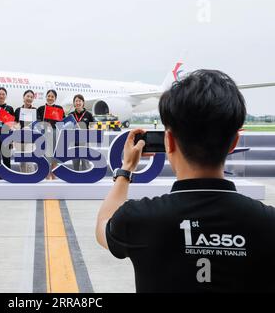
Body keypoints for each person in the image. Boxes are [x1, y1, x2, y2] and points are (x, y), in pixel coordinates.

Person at [96, 70, 275, 292]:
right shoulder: (268, 223)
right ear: (233, 143)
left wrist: (126, 170)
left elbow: (103, 225)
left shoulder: (139, 217)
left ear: (169, 142)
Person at [36, 90, 65, 180]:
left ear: (55, 98)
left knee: (54, 157)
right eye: (48, 96)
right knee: (46, 156)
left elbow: (63, 121)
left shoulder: (59, 108)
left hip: (56, 134)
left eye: (52, 96)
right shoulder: (41, 109)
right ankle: (47, 176)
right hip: (44, 134)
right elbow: (37, 122)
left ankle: (54, 176)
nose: (50, 98)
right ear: (46, 97)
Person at [68, 94, 95, 171]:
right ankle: (75, 179)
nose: (78, 103)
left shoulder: (89, 115)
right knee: (75, 164)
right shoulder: (71, 115)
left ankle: (86, 178)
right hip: (74, 142)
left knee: (85, 163)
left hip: (85, 142)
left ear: (83, 103)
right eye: (76, 101)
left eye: (79, 101)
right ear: (74, 103)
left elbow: (93, 127)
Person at [14, 90, 37, 173]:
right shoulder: (18, 110)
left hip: (30, 139)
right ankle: (23, 179)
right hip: (19, 139)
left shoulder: (35, 110)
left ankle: (32, 178)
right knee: (22, 162)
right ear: (24, 97)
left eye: (31, 97)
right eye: (28, 96)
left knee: (29, 160)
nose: (29, 98)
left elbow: (37, 125)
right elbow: (15, 123)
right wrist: (16, 126)